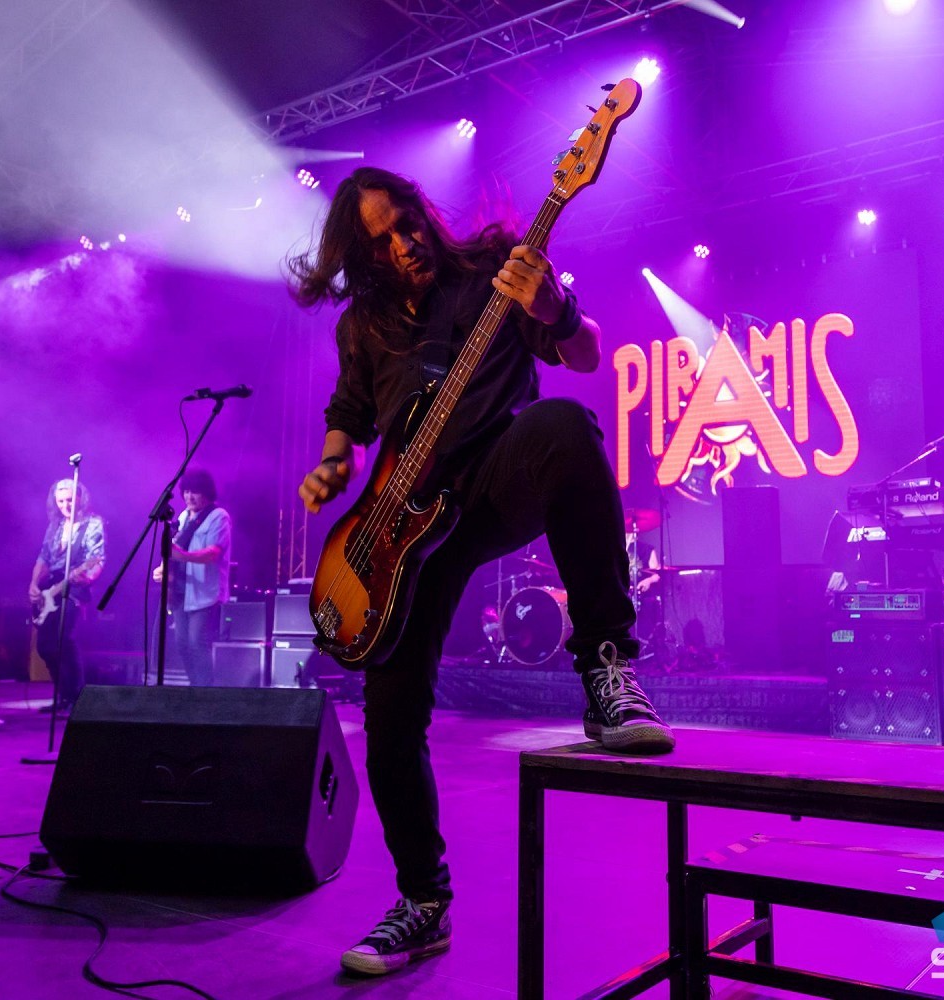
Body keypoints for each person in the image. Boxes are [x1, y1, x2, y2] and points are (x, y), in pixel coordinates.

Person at [289, 166, 674, 977]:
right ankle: (423, 906)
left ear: (423, 211)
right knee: (391, 725)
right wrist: (332, 463)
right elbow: (348, 415)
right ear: (362, 254)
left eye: (407, 222)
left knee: (566, 423)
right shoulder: (363, 326)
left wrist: (554, 307)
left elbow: (584, 353)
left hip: (496, 477)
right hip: (403, 529)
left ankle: (607, 670)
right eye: (382, 240)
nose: (404, 243)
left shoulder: (493, 270)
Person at [28, 479, 106, 711]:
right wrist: (34, 584)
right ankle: (63, 694)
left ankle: (78, 698)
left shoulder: (93, 524)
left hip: (75, 588)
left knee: (65, 639)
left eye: (70, 500)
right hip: (51, 588)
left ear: (81, 499)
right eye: (61, 501)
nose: (66, 505)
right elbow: (44, 558)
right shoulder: (55, 526)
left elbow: (97, 559)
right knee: (45, 646)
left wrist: (88, 577)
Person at [151, 469, 232, 686]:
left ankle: (204, 691)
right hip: (180, 591)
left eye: (194, 492)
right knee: (182, 643)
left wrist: (183, 556)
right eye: (186, 492)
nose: (189, 497)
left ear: (206, 493)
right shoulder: (183, 517)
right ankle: (194, 686)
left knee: (197, 642)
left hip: (205, 592)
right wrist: (163, 569)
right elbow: (173, 549)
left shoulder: (218, 516)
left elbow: (213, 553)